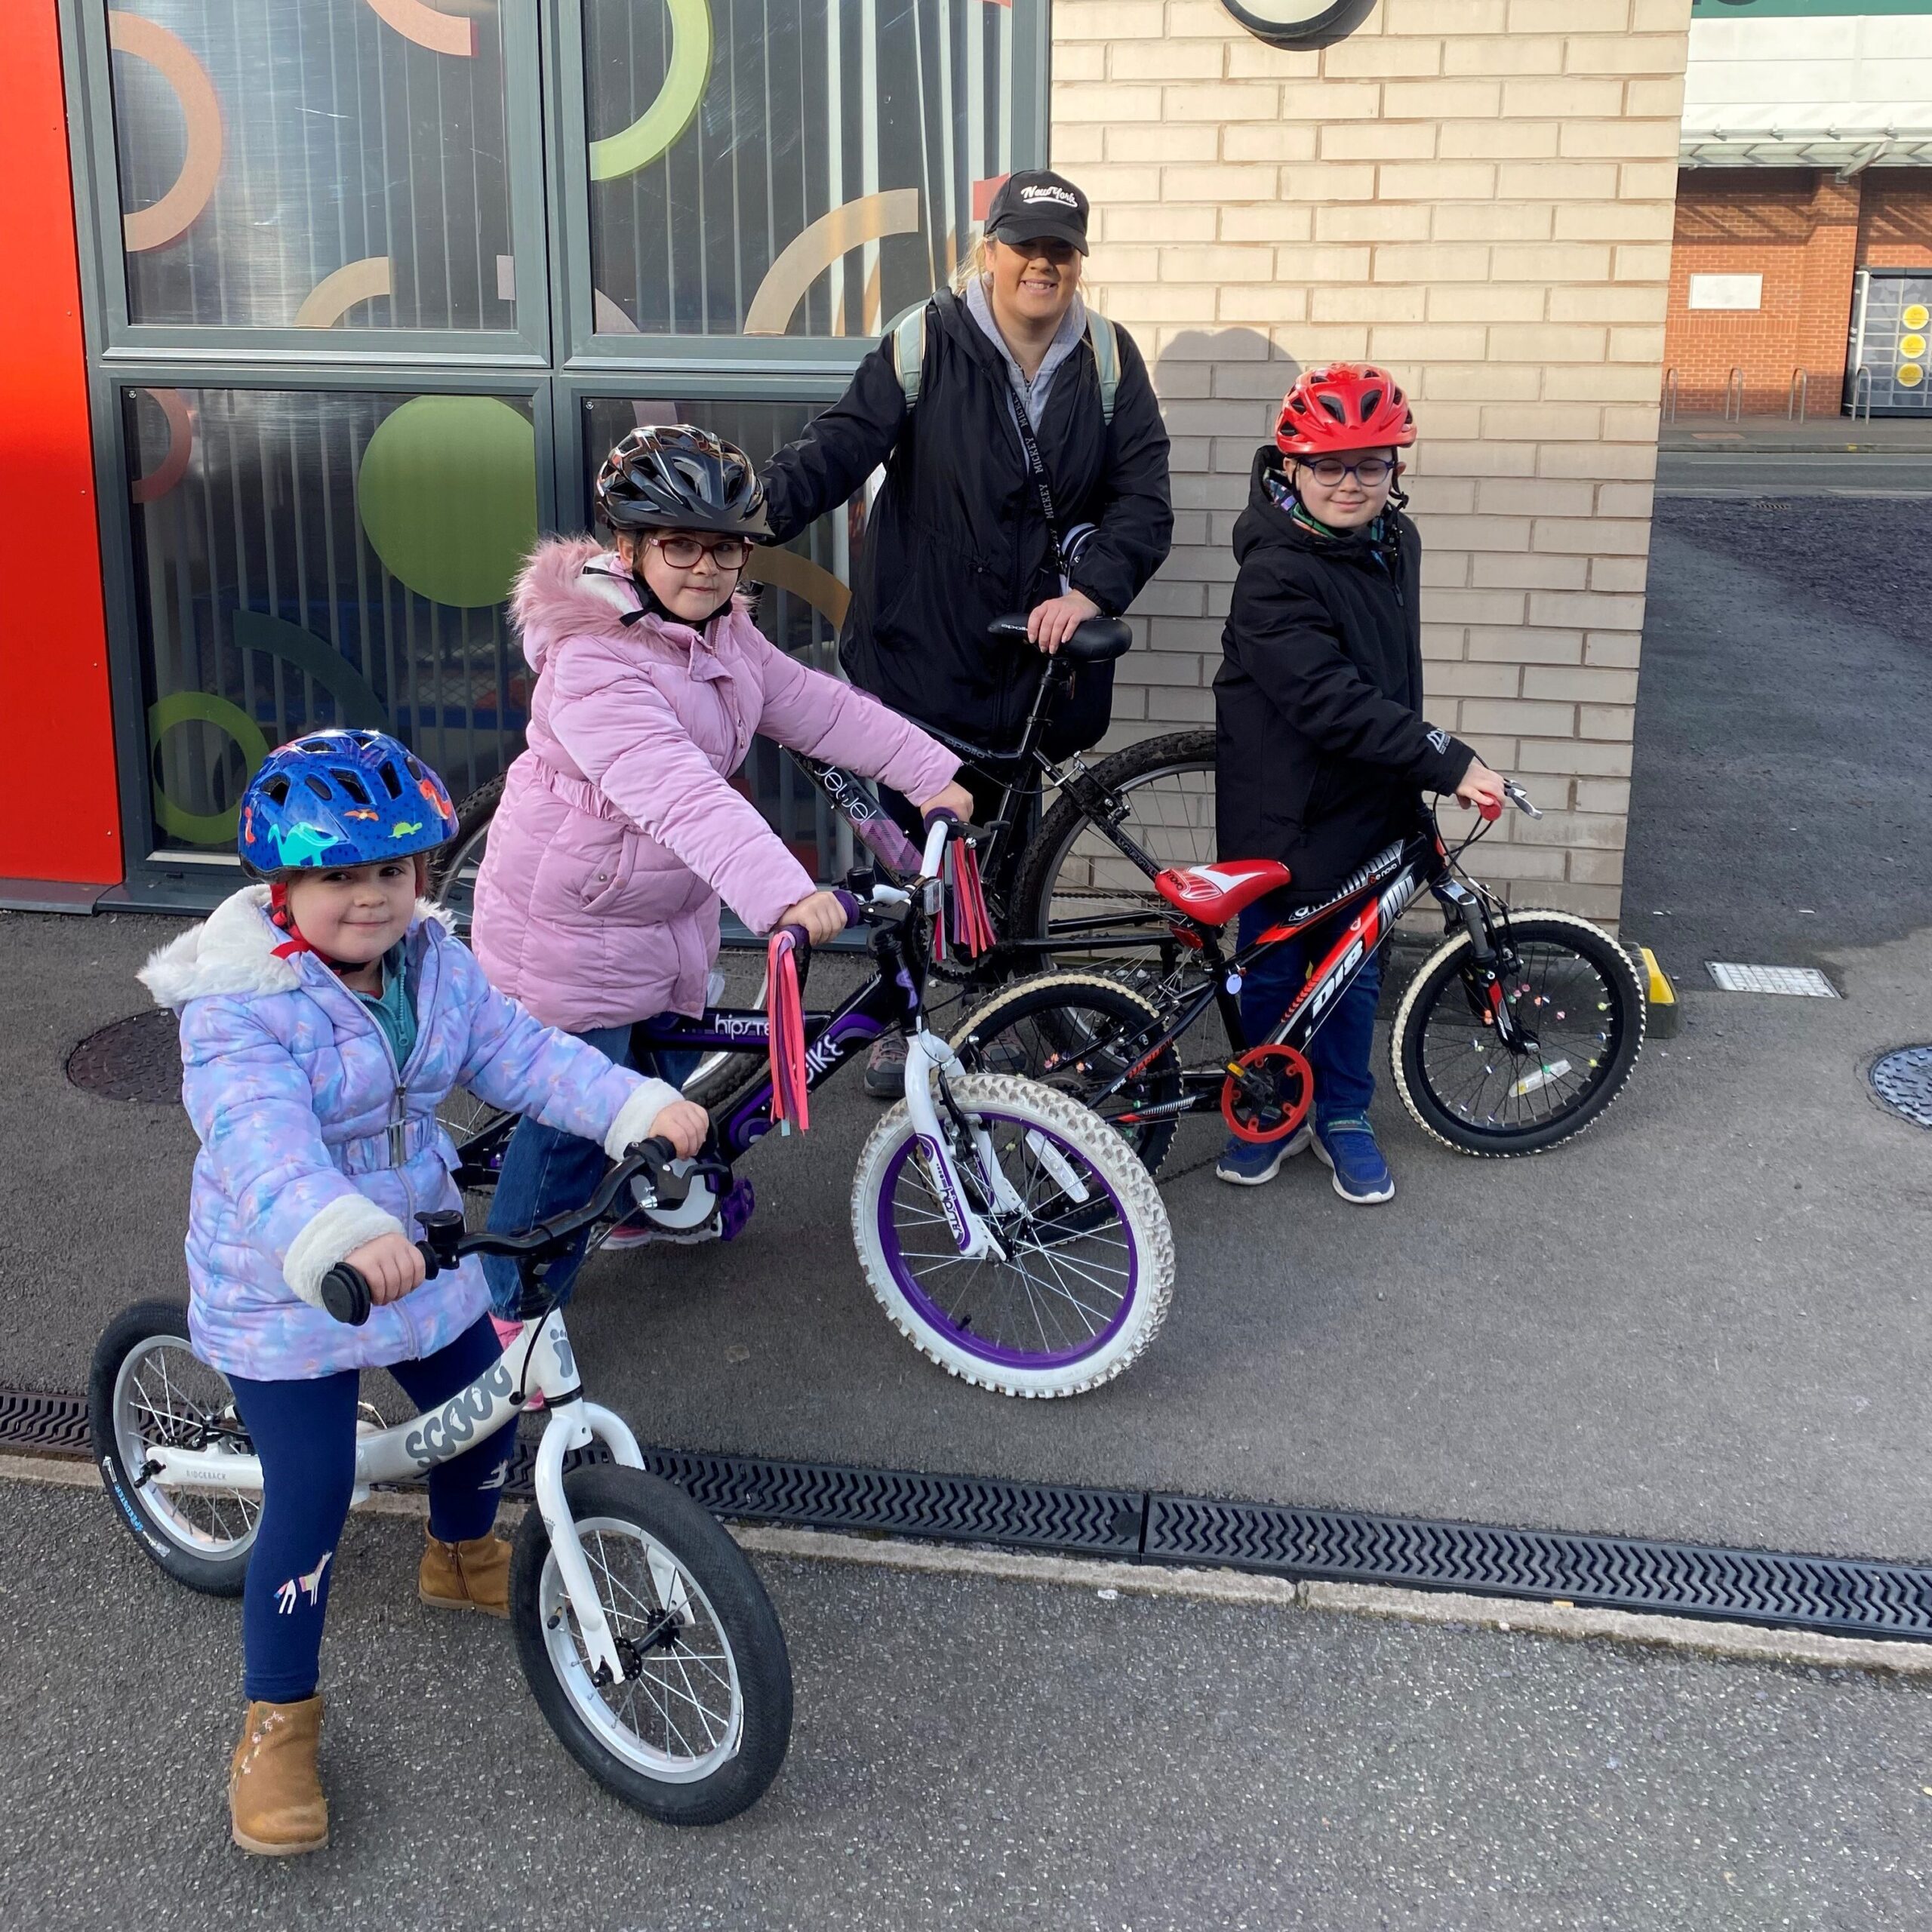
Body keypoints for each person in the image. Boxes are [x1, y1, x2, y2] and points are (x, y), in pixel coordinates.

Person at [137, 728, 708, 1857]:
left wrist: (630, 1108)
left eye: (392, 871)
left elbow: (524, 1054)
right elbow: (262, 1144)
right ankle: (277, 1718)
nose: (372, 898)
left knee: (478, 1414)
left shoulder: (434, 965)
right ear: (281, 886)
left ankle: (461, 1556)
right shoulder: (237, 1005)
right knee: (311, 1495)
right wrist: (335, 1232)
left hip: (422, 1252)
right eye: (340, 875)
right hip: (295, 1276)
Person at [468, 423, 970, 1284]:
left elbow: (816, 705)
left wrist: (932, 774)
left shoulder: (723, 635)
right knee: (572, 1119)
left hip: (658, 911)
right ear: (628, 549)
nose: (707, 567)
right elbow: (678, 791)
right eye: (681, 545)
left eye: (728, 550)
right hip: (573, 917)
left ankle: (631, 1208)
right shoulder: (593, 661)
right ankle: (512, 1312)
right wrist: (783, 892)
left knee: (659, 1078)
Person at [761, 168, 1174, 1094]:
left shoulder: (1108, 358)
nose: (1041, 264)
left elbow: (1144, 500)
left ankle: (998, 1018)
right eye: (1024, 245)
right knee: (918, 856)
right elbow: (838, 447)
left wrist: (1094, 592)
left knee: (1012, 857)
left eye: (1060, 250)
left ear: (1077, 263)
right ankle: (907, 1025)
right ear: (987, 251)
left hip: (1041, 664)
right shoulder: (926, 340)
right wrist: (741, 522)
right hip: (925, 652)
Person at [1212, 364, 1507, 1202]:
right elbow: (1327, 698)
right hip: (1283, 810)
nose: (1349, 483)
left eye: (1369, 465)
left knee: (1354, 971)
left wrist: (1413, 765)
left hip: (1370, 798)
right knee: (1271, 968)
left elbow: (1386, 681)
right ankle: (1265, 1105)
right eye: (1328, 466)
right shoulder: (1273, 570)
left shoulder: (1394, 544)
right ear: (1290, 469)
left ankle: (1343, 1112)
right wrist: (1448, 760)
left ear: (1394, 472)